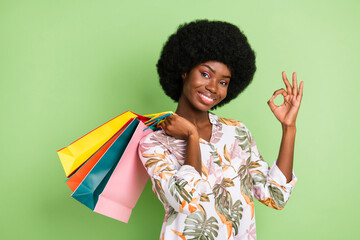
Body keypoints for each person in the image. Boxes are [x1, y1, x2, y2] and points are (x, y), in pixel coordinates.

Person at [138, 19, 303, 240]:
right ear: (184, 71)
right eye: (205, 74)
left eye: (223, 82)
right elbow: (186, 201)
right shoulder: (154, 142)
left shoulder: (237, 132)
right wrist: (191, 136)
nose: (213, 88)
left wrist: (288, 127)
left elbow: (275, 197)